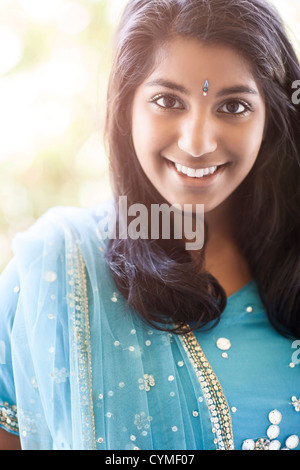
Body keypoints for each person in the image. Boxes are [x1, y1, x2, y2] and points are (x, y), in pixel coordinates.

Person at [0, 0, 300, 451]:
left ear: (271, 119)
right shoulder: (53, 273)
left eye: (233, 106)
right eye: (167, 100)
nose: (197, 142)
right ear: (126, 109)